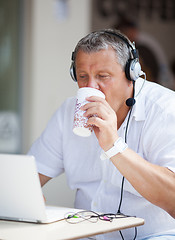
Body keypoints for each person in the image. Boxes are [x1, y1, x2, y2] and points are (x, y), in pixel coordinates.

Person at [28, 29, 175, 240]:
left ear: (131, 74)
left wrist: (114, 145)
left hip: (155, 235)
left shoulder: (166, 109)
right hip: (85, 235)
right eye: (82, 77)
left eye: (102, 77)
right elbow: (29, 177)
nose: (91, 87)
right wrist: (27, 201)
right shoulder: (69, 113)